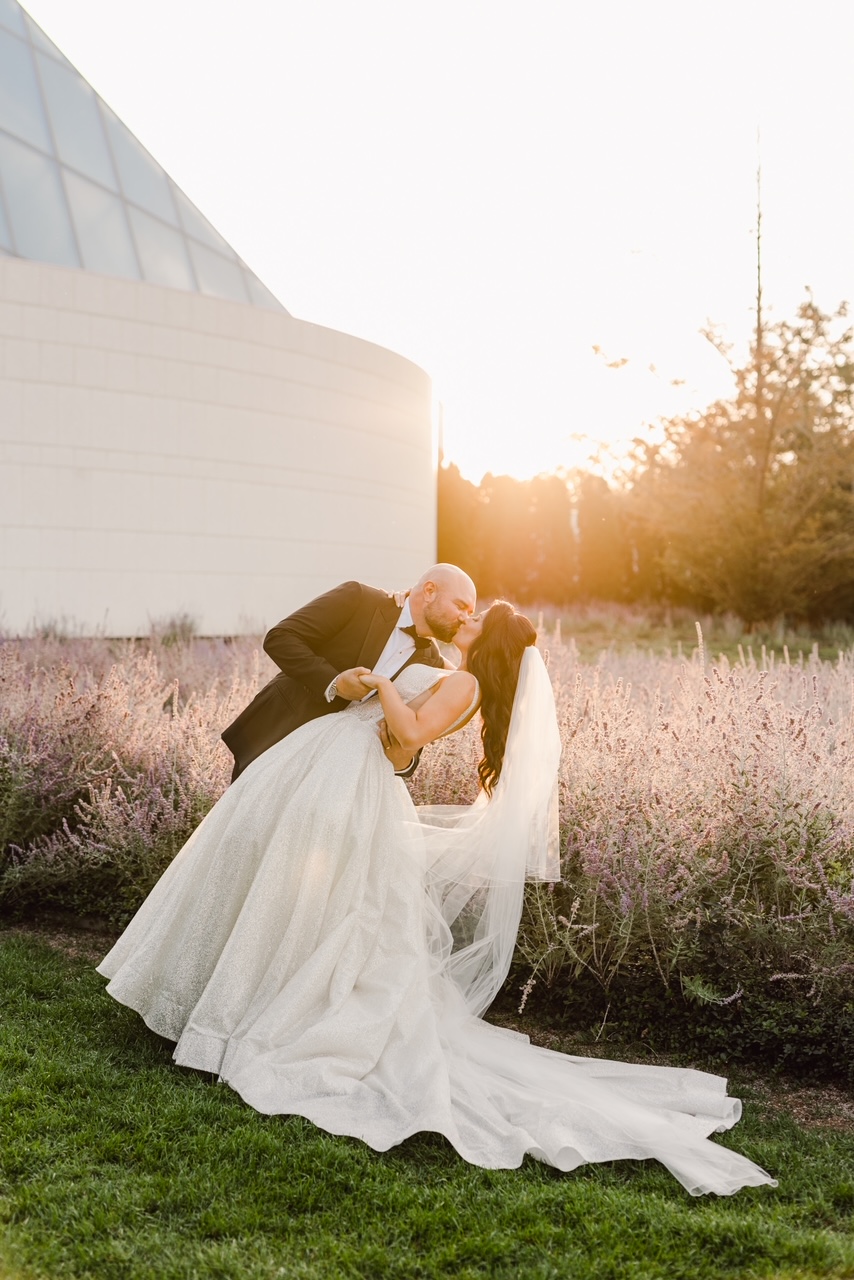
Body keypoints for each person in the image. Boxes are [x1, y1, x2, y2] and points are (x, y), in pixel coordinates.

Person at [97, 603, 775, 1197]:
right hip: (340, 770)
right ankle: (246, 997)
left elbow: (408, 738)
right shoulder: (458, 672)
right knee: (329, 909)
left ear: (491, 641)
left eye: (477, 617)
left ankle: (270, 1011)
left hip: (357, 777)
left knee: (345, 917)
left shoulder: (467, 680)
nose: (465, 619)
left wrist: (384, 684)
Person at [221, 564, 477, 780]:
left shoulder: (432, 663)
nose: (465, 618)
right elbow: (281, 638)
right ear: (430, 591)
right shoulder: (360, 599)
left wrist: (404, 760)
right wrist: (333, 682)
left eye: (471, 613)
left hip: (332, 778)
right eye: (461, 606)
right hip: (276, 737)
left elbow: (412, 739)